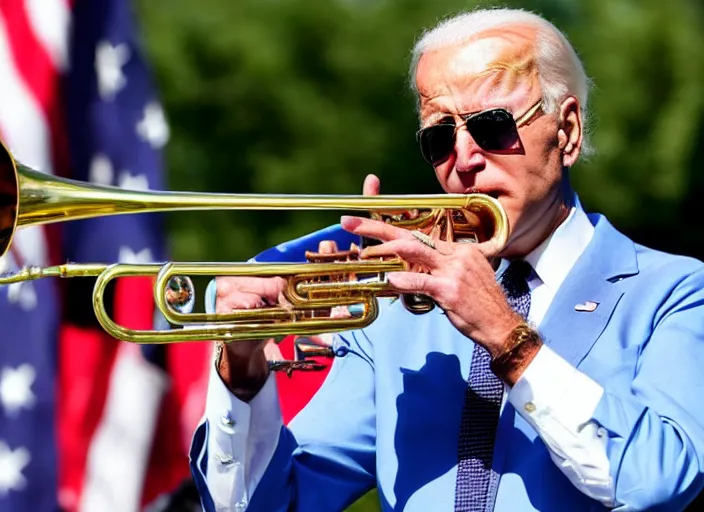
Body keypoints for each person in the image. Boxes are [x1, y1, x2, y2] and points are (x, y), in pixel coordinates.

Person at [189, 7, 704, 512]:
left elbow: (659, 482)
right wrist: (243, 372)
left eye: (493, 127)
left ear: (566, 130)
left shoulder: (675, 290)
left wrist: (507, 336)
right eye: (440, 138)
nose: (464, 159)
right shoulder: (396, 317)